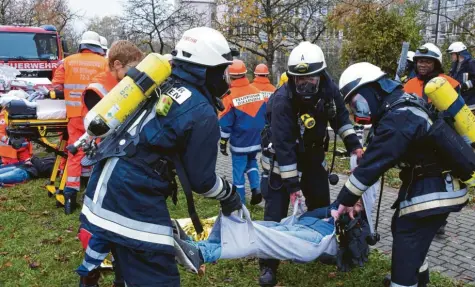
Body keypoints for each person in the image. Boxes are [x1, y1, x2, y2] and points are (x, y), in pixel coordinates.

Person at [76, 27, 242, 287]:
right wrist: (229, 194)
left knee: (128, 268)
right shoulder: (201, 111)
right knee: (158, 277)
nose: (226, 78)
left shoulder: (162, 83)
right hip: (131, 203)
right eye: (223, 70)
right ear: (207, 70)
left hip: (103, 189)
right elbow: (202, 181)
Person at [336, 62, 469, 287]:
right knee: (402, 228)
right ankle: (420, 278)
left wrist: (342, 203)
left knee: (407, 240)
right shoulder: (399, 107)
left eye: (356, 102)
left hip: (433, 190)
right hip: (431, 184)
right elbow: (382, 153)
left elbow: (374, 165)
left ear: (372, 90)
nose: (356, 110)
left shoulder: (399, 116)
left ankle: (404, 281)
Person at [258, 41, 363, 286]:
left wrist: (354, 145)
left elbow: (341, 120)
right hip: (280, 165)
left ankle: (319, 247)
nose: (305, 86)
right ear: (292, 77)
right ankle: (268, 263)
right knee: (275, 213)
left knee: (321, 205)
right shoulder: (282, 99)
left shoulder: (329, 90)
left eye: (311, 80)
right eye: (299, 81)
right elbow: (283, 146)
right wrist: (293, 186)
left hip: (313, 159)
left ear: (321, 75)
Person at [77, 40, 144, 287]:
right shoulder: (101, 89)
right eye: (132, 68)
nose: (136, 74)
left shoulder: (124, 85)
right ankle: (90, 274)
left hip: (121, 162)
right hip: (107, 162)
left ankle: (117, 274)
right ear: (117, 65)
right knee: (104, 227)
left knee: (116, 226)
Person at [51, 31, 108, 214]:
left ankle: (70, 196)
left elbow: (56, 86)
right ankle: (93, 195)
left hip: (75, 115)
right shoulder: (104, 63)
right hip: (97, 116)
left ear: (82, 45)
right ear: (98, 47)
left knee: (75, 154)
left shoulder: (67, 62)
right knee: (97, 153)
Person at [219, 59, 265, 205]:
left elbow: (225, 123)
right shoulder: (257, 92)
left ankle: (239, 202)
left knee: (238, 172)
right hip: (256, 139)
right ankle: (256, 189)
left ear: (229, 76)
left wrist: (223, 142)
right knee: (252, 162)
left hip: (240, 141)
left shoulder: (229, 96)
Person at [82, 40, 144, 117]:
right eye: (133, 67)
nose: (136, 72)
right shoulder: (95, 91)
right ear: (117, 64)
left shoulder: (123, 83)